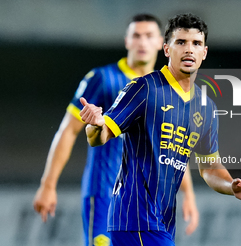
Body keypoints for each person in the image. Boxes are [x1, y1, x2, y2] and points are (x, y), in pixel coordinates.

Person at [80, 13, 241, 246]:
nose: (189, 49)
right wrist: (94, 124)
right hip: (134, 216)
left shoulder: (206, 107)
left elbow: (210, 168)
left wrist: (231, 187)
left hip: (164, 222)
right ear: (167, 49)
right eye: (181, 42)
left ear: (204, 53)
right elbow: (100, 135)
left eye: (196, 43)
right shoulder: (144, 88)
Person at [33, 14, 199, 246]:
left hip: (146, 203)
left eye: (148, 36)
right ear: (127, 41)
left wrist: (188, 194)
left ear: (161, 43)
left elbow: (173, 147)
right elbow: (68, 131)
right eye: (136, 36)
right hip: (104, 193)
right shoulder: (103, 79)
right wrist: (47, 185)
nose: (142, 42)